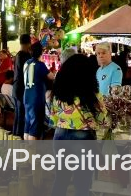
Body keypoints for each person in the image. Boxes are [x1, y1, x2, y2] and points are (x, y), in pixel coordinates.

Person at [49, 54, 107, 196]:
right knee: (82, 184)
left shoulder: (58, 93)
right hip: (83, 138)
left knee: (60, 180)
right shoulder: (92, 94)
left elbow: (53, 117)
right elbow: (102, 119)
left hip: (60, 136)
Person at [23, 43, 55, 140]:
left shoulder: (26, 63)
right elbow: (51, 77)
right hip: (36, 96)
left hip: (27, 95)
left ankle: (26, 147)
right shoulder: (40, 65)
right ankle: (32, 149)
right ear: (40, 52)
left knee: (28, 123)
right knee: (35, 124)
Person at [13, 34, 33, 137]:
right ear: (28, 43)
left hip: (16, 87)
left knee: (18, 115)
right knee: (21, 115)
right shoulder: (25, 56)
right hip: (22, 88)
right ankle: (18, 137)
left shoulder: (18, 55)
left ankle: (15, 136)